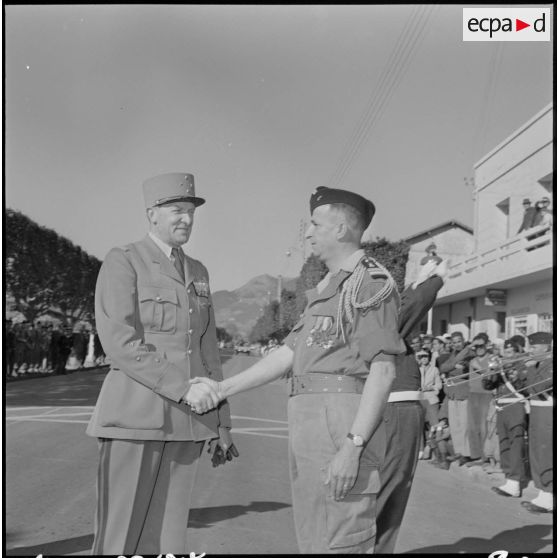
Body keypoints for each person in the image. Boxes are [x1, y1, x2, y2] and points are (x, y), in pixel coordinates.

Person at [192, 186, 405, 553]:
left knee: (341, 537)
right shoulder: (327, 287)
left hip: (341, 422)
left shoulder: (369, 284)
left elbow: (382, 371)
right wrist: (222, 388)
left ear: (340, 229)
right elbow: (286, 356)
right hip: (309, 419)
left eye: (315, 225)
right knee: (315, 536)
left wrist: (353, 447)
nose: (308, 234)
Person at [86, 172, 236, 555]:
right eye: (175, 210)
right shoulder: (125, 261)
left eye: (190, 211)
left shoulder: (199, 272)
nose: (185, 219)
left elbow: (206, 350)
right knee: (120, 536)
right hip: (135, 418)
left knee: (168, 538)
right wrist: (183, 387)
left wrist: (221, 421)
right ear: (152, 214)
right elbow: (119, 341)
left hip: (187, 423)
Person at [375, 260, 446, 553]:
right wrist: (434, 280)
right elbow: (415, 303)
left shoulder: (381, 321)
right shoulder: (383, 322)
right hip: (396, 411)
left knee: (388, 489)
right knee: (390, 489)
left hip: (395, 410)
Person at [484, 339, 528, 497]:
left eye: (509, 352)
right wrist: (492, 371)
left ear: (517, 352)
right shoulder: (501, 367)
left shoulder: (523, 366)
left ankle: (515, 481)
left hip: (515, 406)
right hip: (501, 407)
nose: (506, 355)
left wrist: (511, 372)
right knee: (504, 444)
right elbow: (487, 386)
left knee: (515, 444)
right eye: (505, 352)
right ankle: (509, 478)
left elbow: (525, 388)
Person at [520, 331, 553, 513]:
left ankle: (549, 494)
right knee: (535, 451)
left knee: (545, 452)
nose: (530, 350)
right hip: (537, 410)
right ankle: (542, 492)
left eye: (533, 347)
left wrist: (531, 368)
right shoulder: (541, 363)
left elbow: (537, 388)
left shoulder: (551, 364)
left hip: (547, 412)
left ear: (545, 347)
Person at [439, 331, 475, 466]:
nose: (456, 344)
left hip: (463, 394)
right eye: (454, 342)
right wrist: (453, 366)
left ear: (463, 341)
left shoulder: (470, 354)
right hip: (452, 395)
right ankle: (458, 452)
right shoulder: (453, 355)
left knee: (464, 426)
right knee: (455, 426)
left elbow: (463, 370)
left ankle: (466, 454)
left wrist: (452, 367)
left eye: (459, 341)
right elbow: (443, 367)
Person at [466, 334, 494, 467]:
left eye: (481, 345)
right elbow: (455, 359)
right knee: (472, 426)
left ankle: (485, 456)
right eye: (476, 346)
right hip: (472, 394)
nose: (479, 349)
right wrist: (470, 346)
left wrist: (481, 369)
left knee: (483, 427)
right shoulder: (471, 359)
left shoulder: (492, 358)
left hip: (486, 394)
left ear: (487, 345)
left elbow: (492, 376)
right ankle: (476, 456)